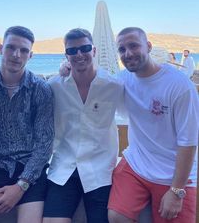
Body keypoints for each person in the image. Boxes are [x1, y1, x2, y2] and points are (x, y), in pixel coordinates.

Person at [108, 27, 199, 223]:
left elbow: (189, 142)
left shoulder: (180, 86)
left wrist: (176, 191)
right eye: (122, 49)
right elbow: (96, 85)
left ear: (148, 46)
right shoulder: (123, 79)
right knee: (116, 217)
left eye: (134, 46)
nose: (128, 53)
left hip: (174, 173)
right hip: (137, 165)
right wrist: (68, 68)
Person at [0, 26, 54, 223]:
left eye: (23, 50)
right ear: (0, 48)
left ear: (30, 55)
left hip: (29, 172)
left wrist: (21, 185)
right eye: (11, 47)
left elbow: (44, 144)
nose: (16, 55)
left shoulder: (41, 90)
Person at [43, 28, 125, 223]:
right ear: (66, 55)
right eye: (72, 51)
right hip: (64, 167)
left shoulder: (114, 86)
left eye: (85, 48)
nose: (79, 54)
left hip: (100, 168)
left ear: (94, 51)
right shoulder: (55, 86)